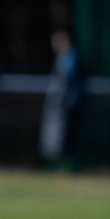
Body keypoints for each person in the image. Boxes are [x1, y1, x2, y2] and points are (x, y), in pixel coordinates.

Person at [39, 26, 83, 172]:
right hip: (65, 106)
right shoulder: (67, 58)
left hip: (63, 108)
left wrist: (61, 103)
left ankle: (63, 168)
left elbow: (66, 85)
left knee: (61, 139)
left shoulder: (67, 59)